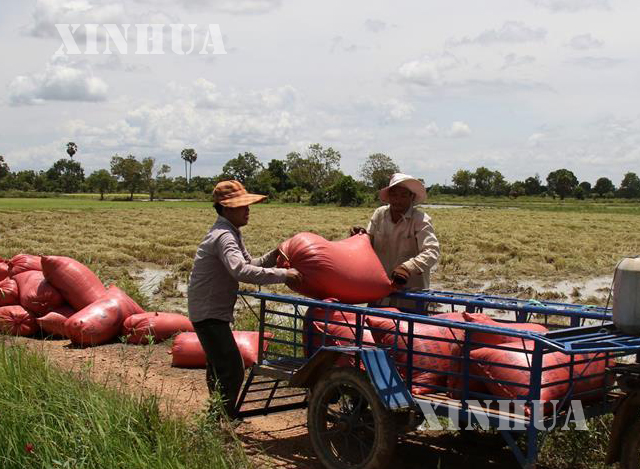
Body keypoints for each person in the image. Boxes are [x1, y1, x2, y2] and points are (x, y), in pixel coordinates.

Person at [188, 180, 302, 419]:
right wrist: (284, 275)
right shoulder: (224, 237)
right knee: (232, 370)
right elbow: (240, 271)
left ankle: (217, 415)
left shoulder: (231, 233)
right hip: (209, 313)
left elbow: (250, 265)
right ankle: (222, 420)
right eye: (243, 206)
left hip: (208, 310)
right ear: (226, 208)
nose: (248, 209)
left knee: (219, 367)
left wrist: (273, 255)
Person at [350, 173, 440, 298]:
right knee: (376, 317)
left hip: (411, 293)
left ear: (412, 197)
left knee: (409, 317)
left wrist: (407, 268)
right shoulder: (380, 214)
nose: (398, 200)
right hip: (380, 289)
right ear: (389, 197)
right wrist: (360, 238)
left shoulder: (420, 220)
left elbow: (431, 251)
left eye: (403, 195)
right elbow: (369, 242)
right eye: (394, 195)